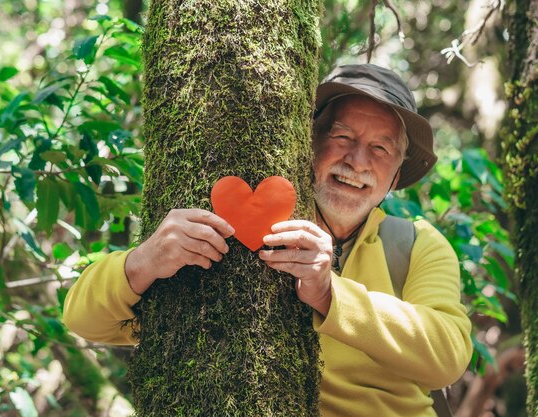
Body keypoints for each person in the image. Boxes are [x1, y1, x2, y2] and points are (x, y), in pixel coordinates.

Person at [63, 64, 472, 416]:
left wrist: (330, 295)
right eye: (342, 137)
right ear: (307, 143)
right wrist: (144, 262)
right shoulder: (257, 230)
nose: (357, 161)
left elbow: (448, 357)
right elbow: (83, 321)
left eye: (380, 148)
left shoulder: (417, 244)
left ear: (396, 177)